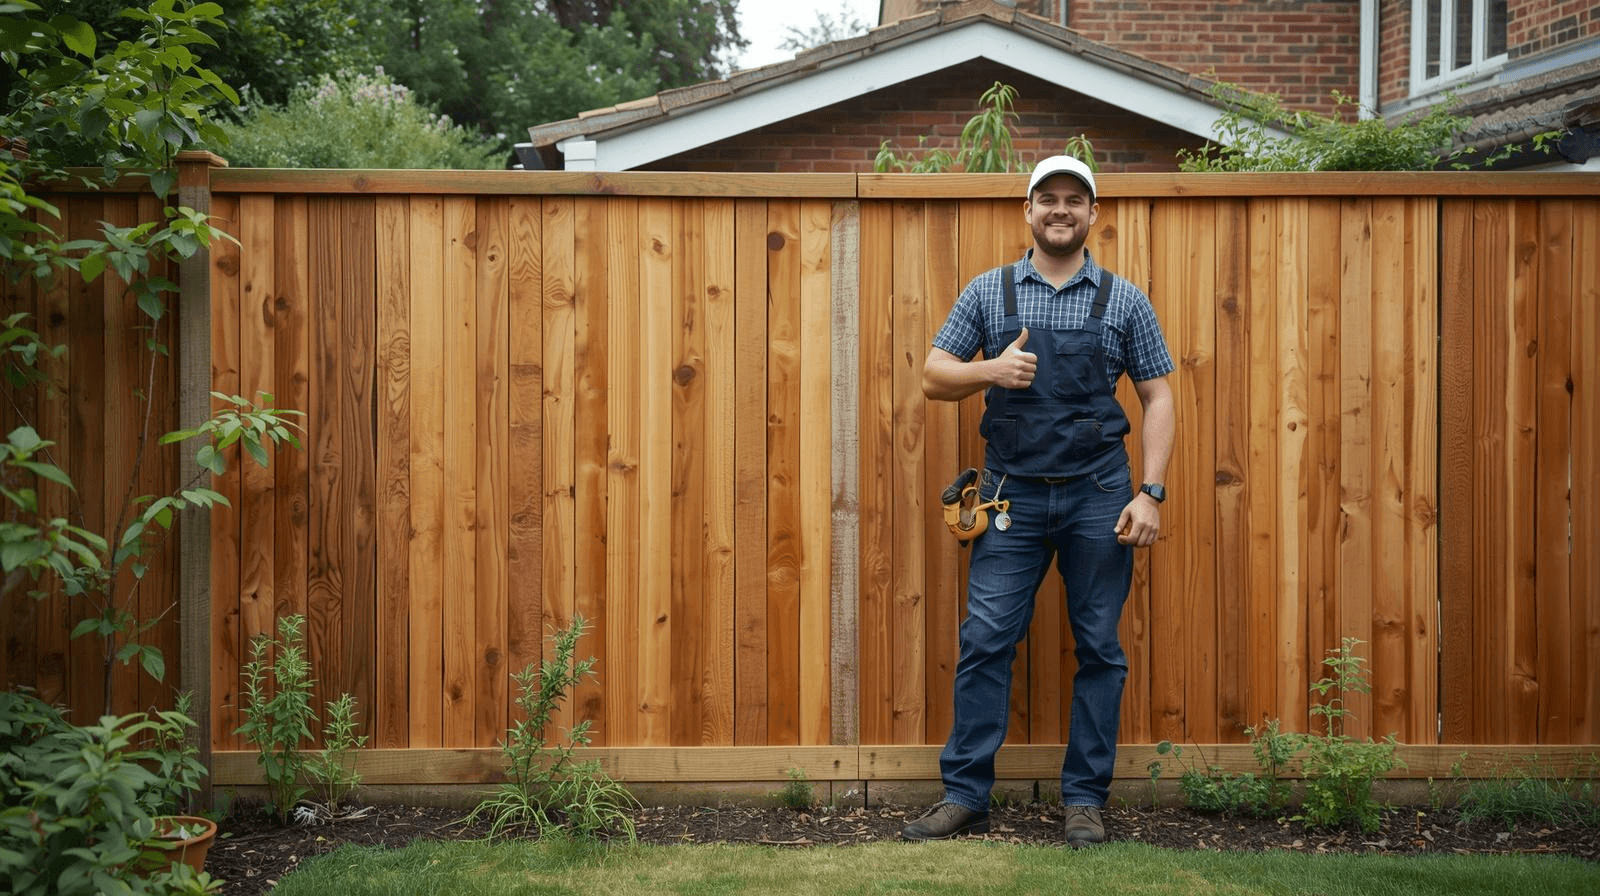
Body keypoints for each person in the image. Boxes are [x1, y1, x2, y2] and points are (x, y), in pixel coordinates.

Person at [900, 155, 1175, 848]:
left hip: (1100, 497)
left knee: (1100, 649)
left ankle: (1084, 799)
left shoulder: (1124, 299)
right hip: (1009, 498)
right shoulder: (989, 293)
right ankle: (966, 794)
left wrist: (1151, 492)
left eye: (1073, 201)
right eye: (1047, 199)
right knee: (986, 641)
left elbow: (1159, 395)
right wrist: (990, 370)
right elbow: (934, 376)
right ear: (1028, 211)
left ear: (1092, 215)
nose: (1060, 210)